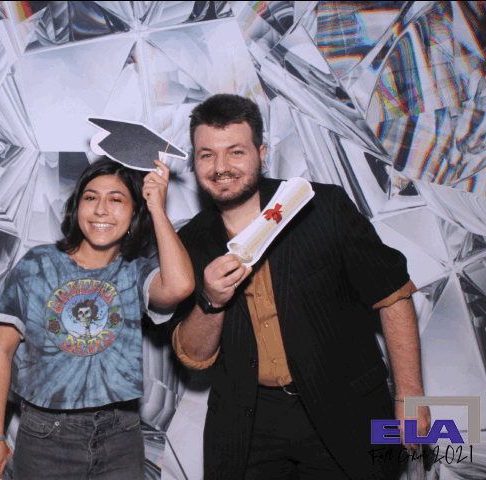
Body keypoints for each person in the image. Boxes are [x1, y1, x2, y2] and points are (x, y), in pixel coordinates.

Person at [170, 94, 431, 480]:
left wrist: (410, 396)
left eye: (236, 152)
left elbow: (392, 295)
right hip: (247, 422)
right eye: (207, 155)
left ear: (261, 153)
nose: (221, 167)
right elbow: (193, 356)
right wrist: (211, 301)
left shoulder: (323, 207)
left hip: (345, 405)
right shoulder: (189, 243)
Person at [0, 158, 195, 480]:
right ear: (77, 207)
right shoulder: (36, 265)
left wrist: (157, 210)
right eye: (91, 197)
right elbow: (0, 351)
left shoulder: (135, 271)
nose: (101, 210)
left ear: (134, 213)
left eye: (116, 200)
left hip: (121, 435)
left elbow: (181, 286)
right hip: (46, 437)